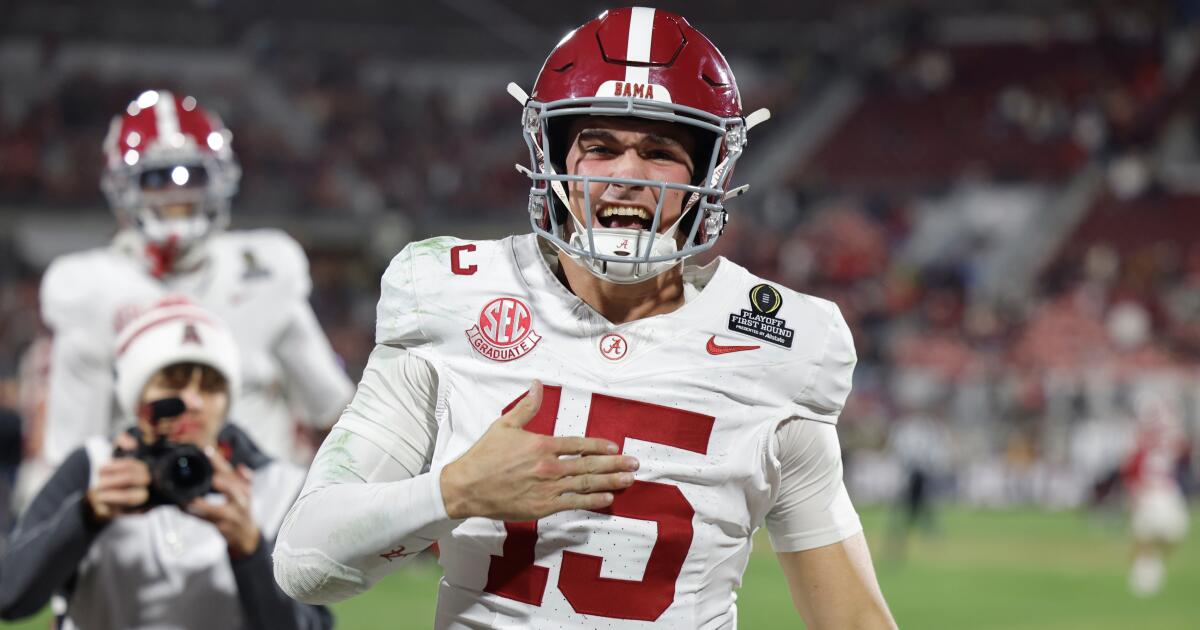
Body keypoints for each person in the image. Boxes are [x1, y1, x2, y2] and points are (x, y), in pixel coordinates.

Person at [274, 7, 895, 629]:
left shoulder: (780, 346)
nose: (627, 176)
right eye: (600, 147)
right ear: (552, 159)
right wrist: (457, 490)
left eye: (660, 152)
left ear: (711, 174)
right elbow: (306, 563)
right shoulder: (450, 295)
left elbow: (851, 620)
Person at [35, 89, 353, 470]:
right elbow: (72, 462)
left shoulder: (264, 270)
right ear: (123, 186)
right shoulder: (91, 289)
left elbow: (334, 412)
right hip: (145, 502)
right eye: (156, 178)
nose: (176, 193)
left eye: (192, 175)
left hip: (264, 498)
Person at [0, 301, 331, 629]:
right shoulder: (95, 467)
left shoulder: (277, 486)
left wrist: (250, 550)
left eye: (211, 386)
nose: (193, 401)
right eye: (173, 382)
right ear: (137, 394)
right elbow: (9, 598)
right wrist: (86, 515)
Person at [1122, 393, 1191, 597]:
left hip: (1167, 492)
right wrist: (1134, 492)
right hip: (1147, 493)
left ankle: (1152, 565)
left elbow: (1183, 455)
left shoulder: (1169, 440)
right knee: (1144, 537)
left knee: (1174, 534)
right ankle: (1142, 575)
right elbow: (1130, 469)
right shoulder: (1139, 443)